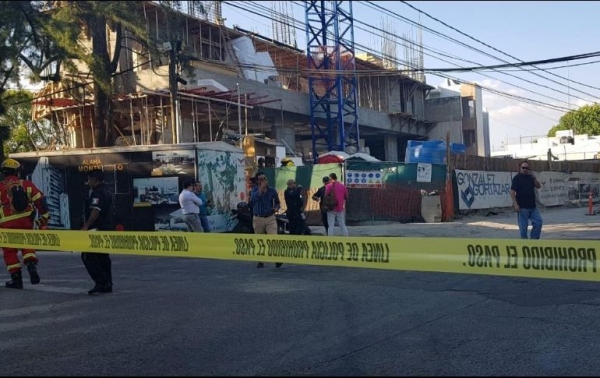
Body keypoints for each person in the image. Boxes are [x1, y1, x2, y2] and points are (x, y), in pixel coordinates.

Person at [0, 158, 49, 289]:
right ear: (17, 172)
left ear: (4, 172)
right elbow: (40, 201)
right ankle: (31, 266)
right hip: (26, 221)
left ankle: (16, 280)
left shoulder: (0, 187)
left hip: (6, 225)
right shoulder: (26, 184)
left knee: (9, 251)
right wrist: (44, 218)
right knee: (27, 245)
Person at [81, 169, 115, 295]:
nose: (88, 182)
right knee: (103, 257)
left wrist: (86, 226)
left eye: (89, 179)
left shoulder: (97, 193)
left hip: (96, 229)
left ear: (94, 179)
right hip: (105, 228)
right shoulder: (107, 192)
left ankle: (101, 283)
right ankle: (107, 283)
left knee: (88, 256)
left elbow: (95, 211)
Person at [249, 172, 282, 268]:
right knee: (260, 240)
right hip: (258, 218)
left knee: (273, 238)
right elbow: (253, 200)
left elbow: (277, 202)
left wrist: (276, 208)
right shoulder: (254, 190)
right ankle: (261, 260)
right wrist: (261, 189)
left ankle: (277, 259)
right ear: (257, 181)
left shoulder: (272, 190)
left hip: (270, 217)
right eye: (260, 179)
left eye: (264, 179)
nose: (263, 181)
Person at [510, 161, 543, 239]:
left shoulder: (530, 177)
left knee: (538, 222)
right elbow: (512, 192)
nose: (525, 169)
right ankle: (525, 244)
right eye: (523, 168)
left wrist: (534, 178)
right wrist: (515, 204)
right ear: (520, 168)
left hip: (532, 206)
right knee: (523, 228)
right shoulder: (517, 178)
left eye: (527, 168)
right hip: (522, 207)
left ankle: (534, 241)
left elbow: (538, 186)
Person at [324, 172, 349, 237]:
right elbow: (346, 197)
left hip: (331, 208)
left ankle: (330, 240)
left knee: (331, 225)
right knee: (342, 225)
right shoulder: (343, 186)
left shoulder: (328, 186)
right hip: (340, 208)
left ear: (331, 178)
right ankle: (346, 238)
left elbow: (325, 196)